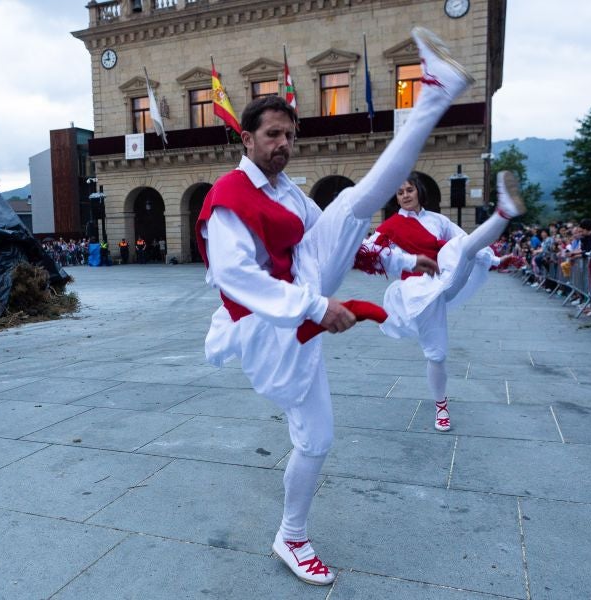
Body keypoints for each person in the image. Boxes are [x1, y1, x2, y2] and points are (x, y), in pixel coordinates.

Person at [196, 27, 471, 586]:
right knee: (316, 435)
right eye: (272, 134)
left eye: (289, 135)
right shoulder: (228, 196)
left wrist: (404, 264)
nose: (283, 144)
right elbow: (234, 276)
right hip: (268, 328)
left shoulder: (287, 191)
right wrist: (317, 306)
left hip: (303, 297)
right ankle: (436, 94)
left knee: (351, 204)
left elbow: (335, 234)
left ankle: (290, 536)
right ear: (245, 140)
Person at [354, 170, 525, 431]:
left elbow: (465, 241)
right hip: (418, 290)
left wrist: (496, 260)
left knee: (463, 247)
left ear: (419, 191)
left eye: (409, 190)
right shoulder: (389, 226)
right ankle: (441, 405)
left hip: (446, 274)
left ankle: (503, 212)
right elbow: (368, 249)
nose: (405, 195)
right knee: (437, 354)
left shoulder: (438, 220)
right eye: (399, 193)